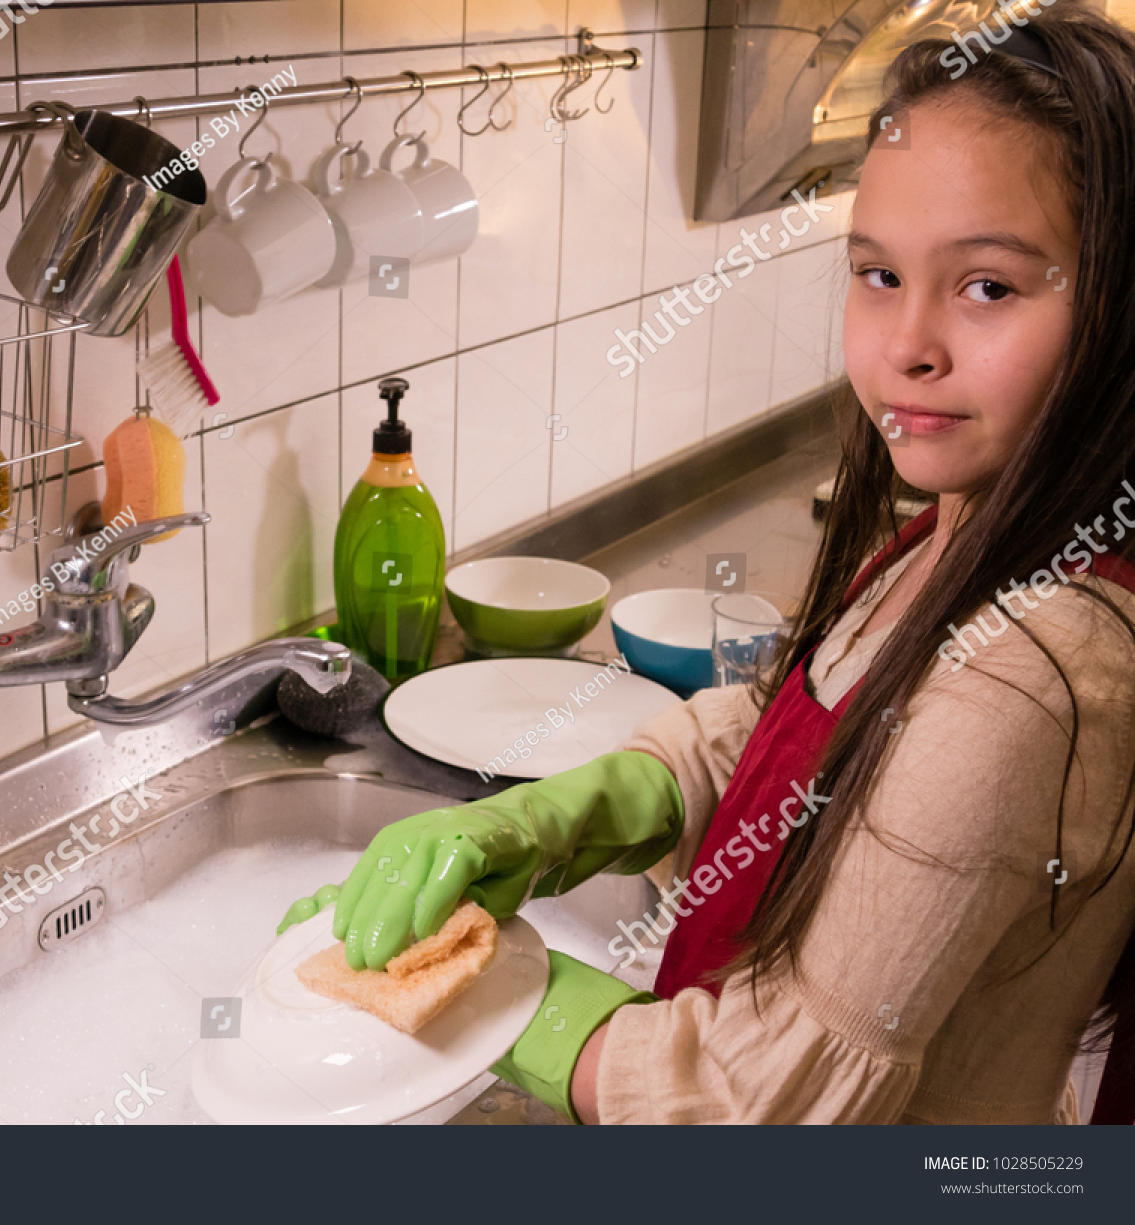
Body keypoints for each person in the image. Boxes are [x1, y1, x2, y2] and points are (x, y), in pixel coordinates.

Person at [278, 5, 1135, 1124]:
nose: (907, 344)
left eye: (988, 286)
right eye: (876, 273)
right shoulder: (970, 524)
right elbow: (823, 740)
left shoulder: (1031, 677)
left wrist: (500, 994)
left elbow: (759, 1104)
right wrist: (575, 811)